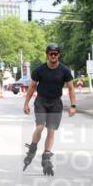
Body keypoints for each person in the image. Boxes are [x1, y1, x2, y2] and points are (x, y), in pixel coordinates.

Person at [23, 43, 77, 176]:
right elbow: (32, 87)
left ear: (59, 55)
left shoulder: (64, 71)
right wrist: (26, 103)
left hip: (55, 103)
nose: (53, 56)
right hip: (41, 101)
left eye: (56, 54)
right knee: (40, 127)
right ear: (47, 54)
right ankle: (33, 147)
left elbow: (71, 89)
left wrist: (73, 106)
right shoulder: (40, 70)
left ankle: (46, 155)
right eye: (51, 54)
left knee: (51, 131)